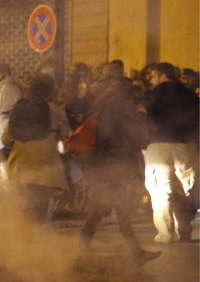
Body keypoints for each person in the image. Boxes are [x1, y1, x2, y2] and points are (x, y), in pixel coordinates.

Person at [79, 64, 159, 262]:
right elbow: (136, 138)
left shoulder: (105, 109)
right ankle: (81, 251)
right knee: (103, 212)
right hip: (111, 168)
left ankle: (135, 252)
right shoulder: (122, 112)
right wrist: (141, 116)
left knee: (109, 212)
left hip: (104, 167)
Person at [142, 62, 199, 243]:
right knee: (183, 190)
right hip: (184, 146)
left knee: (160, 191)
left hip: (158, 146)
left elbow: (141, 116)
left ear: (162, 75)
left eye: (153, 76)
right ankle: (184, 230)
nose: (151, 80)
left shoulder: (152, 95)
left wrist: (141, 142)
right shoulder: (189, 94)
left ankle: (166, 234)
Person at [3, 74, 68, 222]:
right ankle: (34, 243)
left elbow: (5, 139)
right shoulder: (55, 110)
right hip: (44, 171)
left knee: (22, 212)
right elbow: (66, 135)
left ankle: (18, 243)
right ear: (50, 91)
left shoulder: (18, 108)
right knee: (39, 215)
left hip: (18, 168)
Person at [0, 62, 22, 154]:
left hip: (7, 142)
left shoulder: (6, 89)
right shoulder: (6, 88)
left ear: (6, 74)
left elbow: (2, 115)